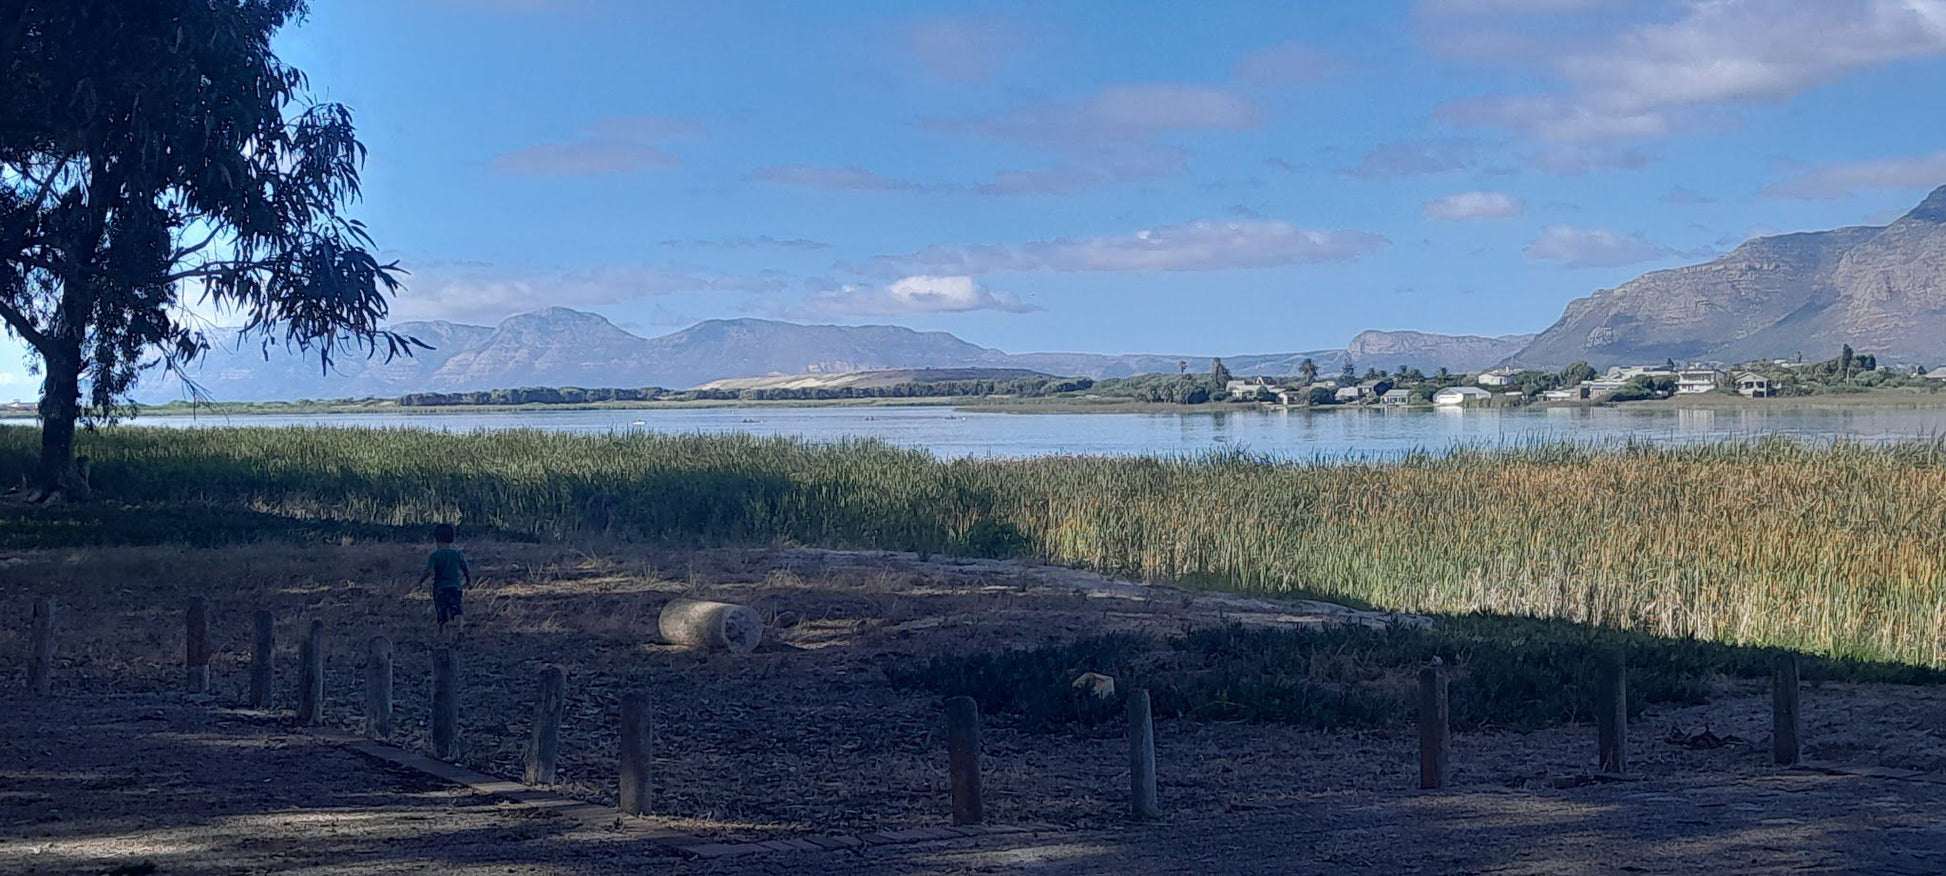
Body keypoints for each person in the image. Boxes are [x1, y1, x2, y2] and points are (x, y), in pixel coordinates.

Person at [417, 523, 472, 639]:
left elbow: (429, 570)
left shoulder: (435, 556)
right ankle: (460, 629)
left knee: (442, 612)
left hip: (440, 589)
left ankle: (442, 632)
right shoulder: (457, 554)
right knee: (457, 609)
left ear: (436, 539)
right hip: (455, 588)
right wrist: (468, 581)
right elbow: (465, 568)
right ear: (452, 538)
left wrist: (421, 581)